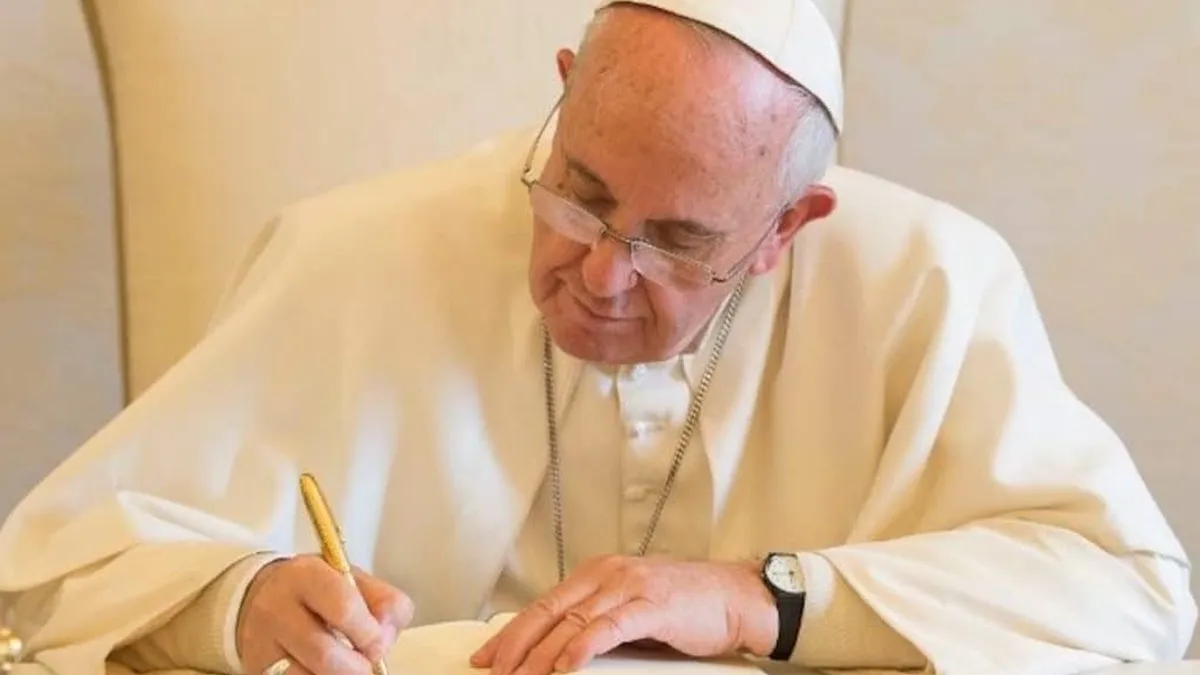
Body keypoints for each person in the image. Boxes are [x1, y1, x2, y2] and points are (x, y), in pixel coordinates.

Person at [0, 1, 1195, 674]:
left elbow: (1134, 596)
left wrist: (761, 600)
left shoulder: (932, 281)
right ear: (565, 91)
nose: (600, 273)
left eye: (676, 241)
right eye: (579, 194)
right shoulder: (356, 249)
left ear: (787, 228)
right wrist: (245, 597)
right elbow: (55, 568)